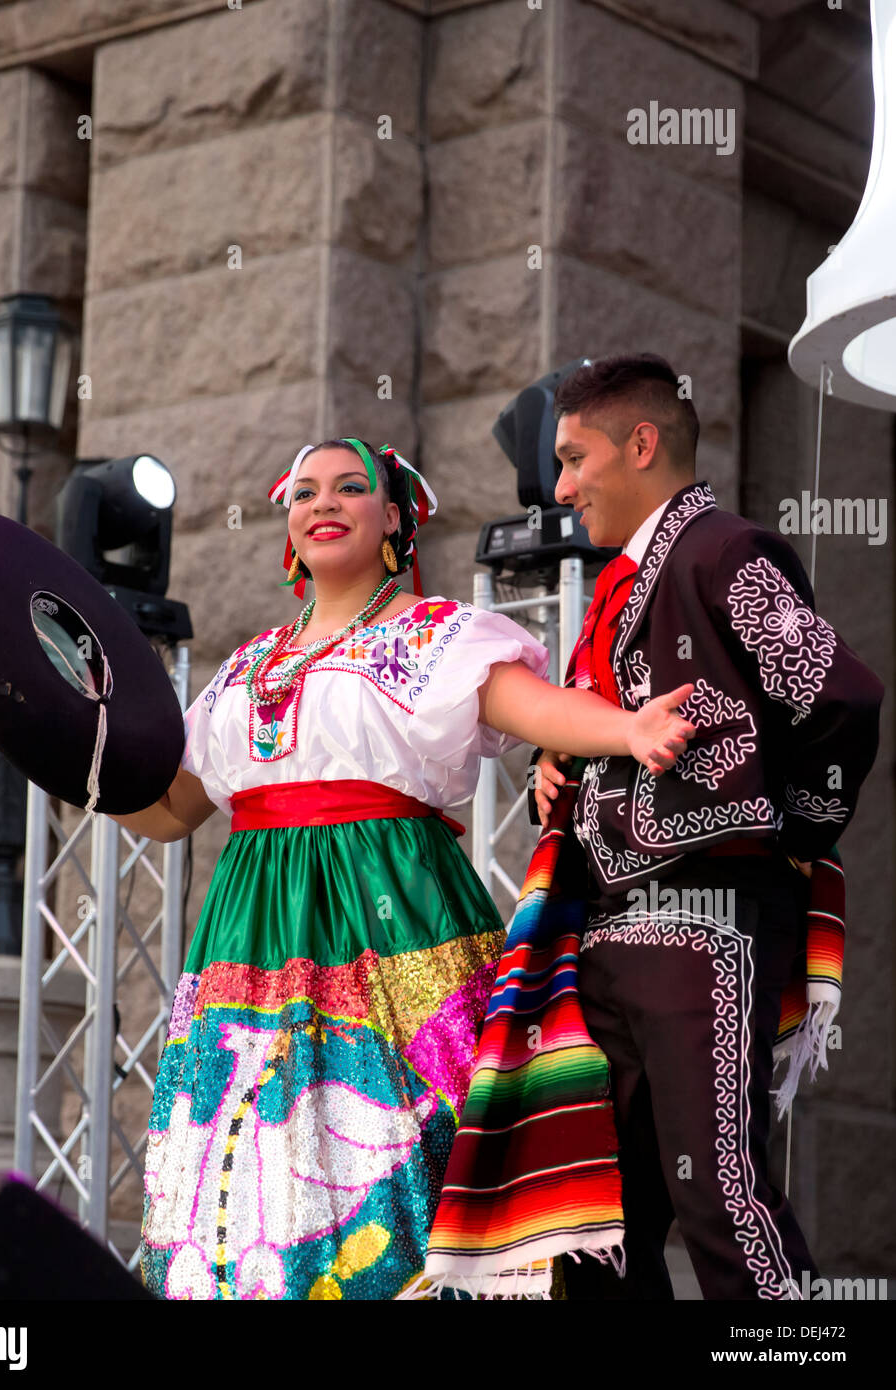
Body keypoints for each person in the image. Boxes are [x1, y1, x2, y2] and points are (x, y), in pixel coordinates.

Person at [111, 435, 697, 1302]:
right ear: (290, 527)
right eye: (305, 492)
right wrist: (77, 759)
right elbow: (166, 813)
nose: (325, 503)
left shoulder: (438, 636)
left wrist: (630, 730)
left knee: (422, 1159)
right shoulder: (242, 670)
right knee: (254, 1182)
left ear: (392, 518)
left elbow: (538, 709)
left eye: (351, 488)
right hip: (252, 946)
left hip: (398, 921)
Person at [519, 355, 882, 1299]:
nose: (560, 489)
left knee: (720, 1197)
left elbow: (837, 698)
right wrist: (552, 767)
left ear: (642, 444)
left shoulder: (727, 551)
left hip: (707, 928)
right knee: (596, 1227)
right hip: (601, 932)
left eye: (573, 458)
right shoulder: (615, 591)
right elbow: (601, 729)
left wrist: (784, 834)